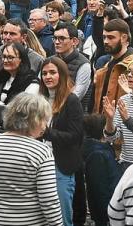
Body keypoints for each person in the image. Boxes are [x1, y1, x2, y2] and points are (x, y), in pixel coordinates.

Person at [0, 93, 63, 225]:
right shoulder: (41, 151)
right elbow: (49, 200)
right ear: (34, 119)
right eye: (44, 120)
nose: (45, 126)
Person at [39, 57, 84, 226]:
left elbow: (75, 136)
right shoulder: (39, 100)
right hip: (40, 162)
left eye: (52, 72)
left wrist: (47, 133)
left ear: (62, 75)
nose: (48, 76)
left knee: (62, 217)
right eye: (44, 73)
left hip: (61, 165)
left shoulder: (71, 101)